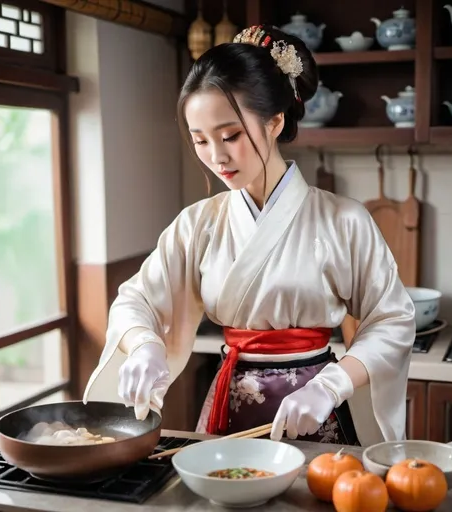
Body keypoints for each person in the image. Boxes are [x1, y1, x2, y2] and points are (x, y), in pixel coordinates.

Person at [83, 24, 416, 446]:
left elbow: (393, 318)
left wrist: (334, 384)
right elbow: (135, 300)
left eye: (231, 136)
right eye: (200, 140)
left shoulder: (343, 220)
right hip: (228, 413)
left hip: (315, 412)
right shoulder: (197, 224)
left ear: (275, 121)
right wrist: (145, 344)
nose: (216, 157)